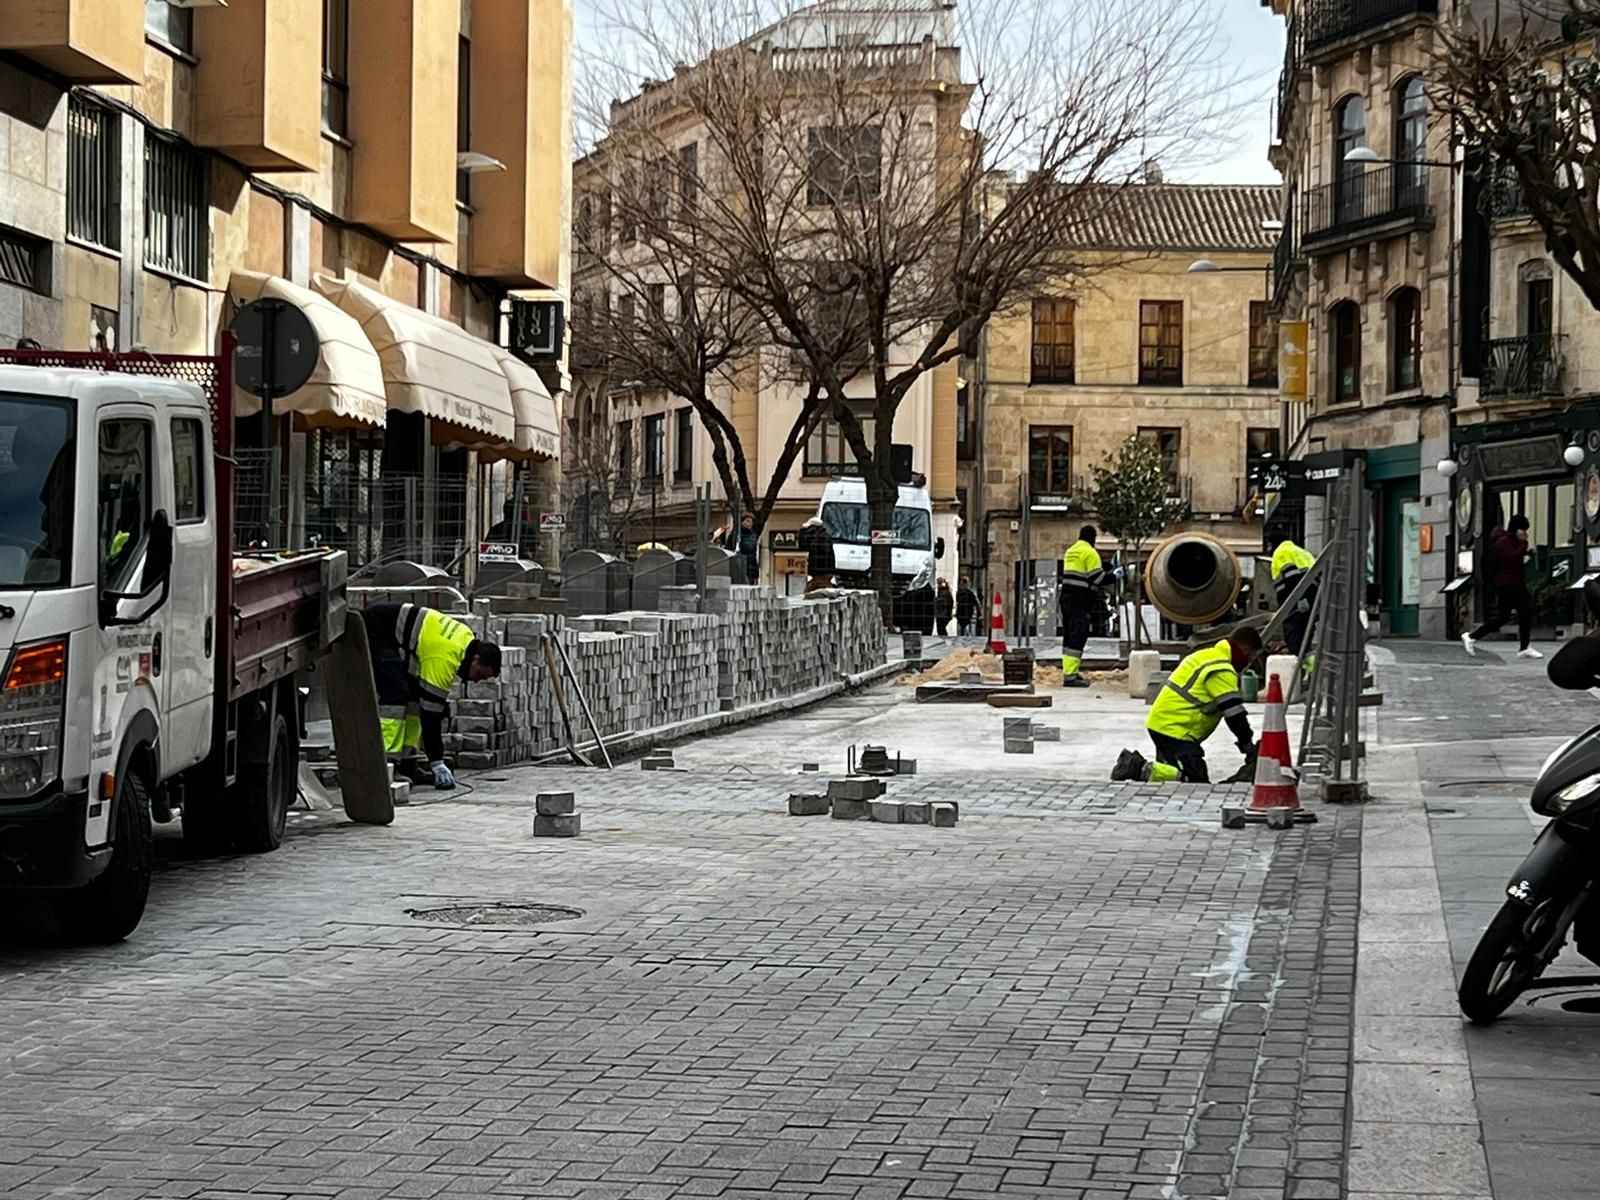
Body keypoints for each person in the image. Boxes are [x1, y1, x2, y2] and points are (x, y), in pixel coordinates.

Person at [361, 602, 502, 790]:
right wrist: (437, 762)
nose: (476, 681)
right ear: (475, 659)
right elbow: (431, 717)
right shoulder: (444, 659)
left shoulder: (465, 638)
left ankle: (408, 765)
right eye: (480, 674)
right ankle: (386, 765)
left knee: (414, 700)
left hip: (396, 639)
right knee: (396, 696)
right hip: (374, 630)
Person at [1111, 626, 1263, 783]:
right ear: (1245, 649)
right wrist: (1246, 743)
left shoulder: (1206, 655)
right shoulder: (1221, 669)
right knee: (1196, 780)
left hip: (1165, 723)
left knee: (1174, 775)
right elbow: (1234, 713)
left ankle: (1149, 769)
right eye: (1250, 657)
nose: (1249, 663)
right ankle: (1136, 767)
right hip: (1175, 731)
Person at [1463, 514, 1540, 659]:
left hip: (1517, 584)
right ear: (1516, 529)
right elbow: (1512, 557)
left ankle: (1524, 647)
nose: (1525, 533)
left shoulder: (1514, 541)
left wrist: (1524, 548)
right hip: (1506, 585)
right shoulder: (1502, 542)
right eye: (1523, 530)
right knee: (1503, 618)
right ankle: (1472, 636)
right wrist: (1524, 544)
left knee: (1526, 613)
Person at [1059, 524, 1106, 689]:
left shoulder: (1071, 551)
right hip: (1080, 601)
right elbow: (1097, 578)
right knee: (1078, 635)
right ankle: (1071, 677)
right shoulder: (1090, 553)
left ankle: (1069, 672)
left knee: (1069, 636)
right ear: (1093, 538)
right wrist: (1114, 576)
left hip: (1066, 599)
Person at [1271, 538, 1317, 655]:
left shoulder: (1281, 553)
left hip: (1295, 605)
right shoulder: (1303, 553)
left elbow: (1292, 578)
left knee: (1295, 642)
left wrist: (1298, 600)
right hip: (1312, 603)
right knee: (1306, 640)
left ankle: (1297, 661)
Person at [796, 516, 835, 594]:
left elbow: (804, 546)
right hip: (822, 573)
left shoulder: (819, 538)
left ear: (814, 527)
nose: (808, 530)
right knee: (815, 592)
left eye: (809, 528)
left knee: (810, 594)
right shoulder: (822, 537)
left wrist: (803, 531)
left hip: (820, 574)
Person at [724, 512, 759, 583]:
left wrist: (755, 572)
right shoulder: (735, 534)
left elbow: (754, 554)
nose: (750, 523)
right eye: (747, 521)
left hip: (751, 568)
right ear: (742, 522)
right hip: (739, 567)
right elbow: (728, 549)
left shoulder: (753, 535)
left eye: (751, 521)